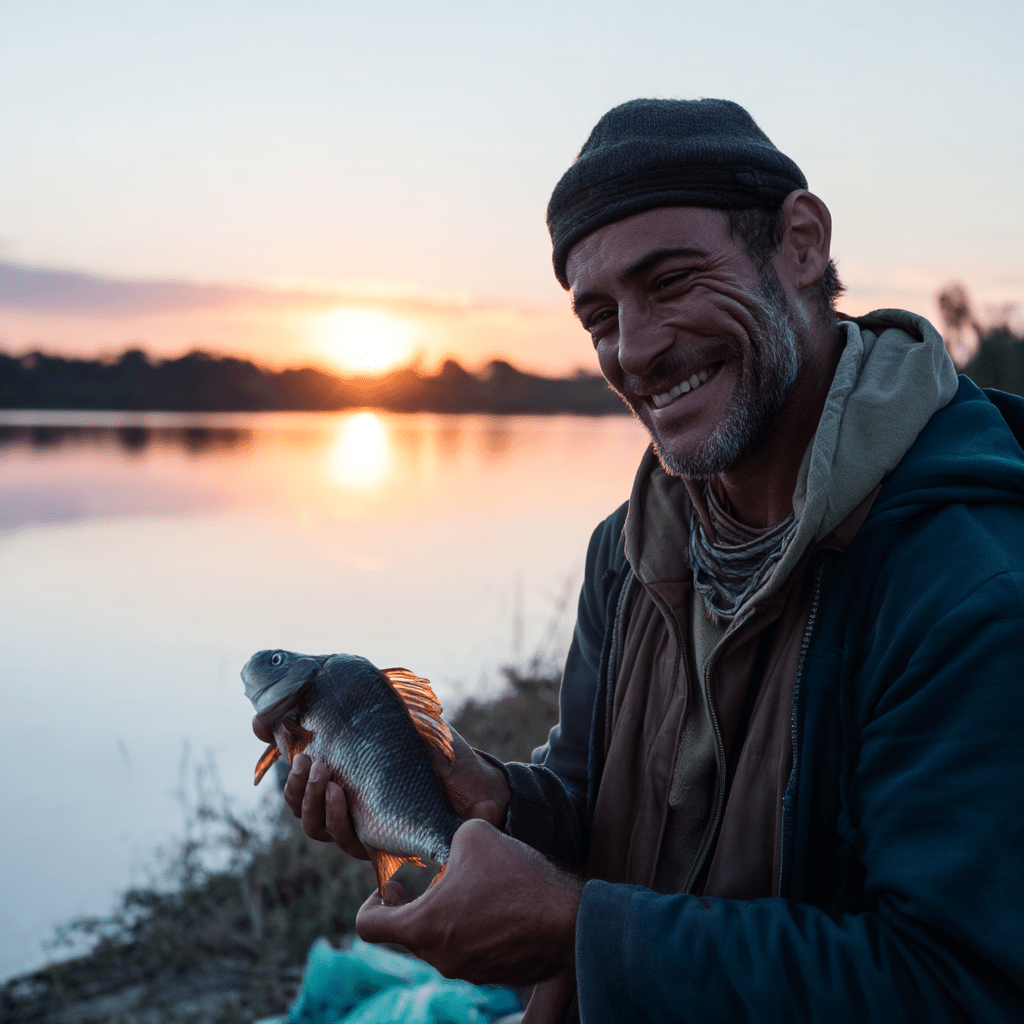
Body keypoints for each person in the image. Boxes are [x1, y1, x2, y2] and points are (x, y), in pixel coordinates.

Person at [272, 99, 1024, 1022]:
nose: (635, 349)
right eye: (598, 316)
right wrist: (497, 799)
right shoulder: (629, 551)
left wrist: (579, 933)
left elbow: (957, 986)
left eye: (669, 281)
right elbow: (598, 807)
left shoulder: (970, 587)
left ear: (800, 242)